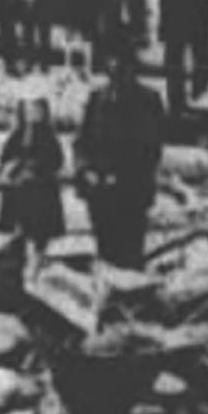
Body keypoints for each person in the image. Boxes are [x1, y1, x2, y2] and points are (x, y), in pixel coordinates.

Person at [75, 43, 167, 272]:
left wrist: (120, 176)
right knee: (105, 255)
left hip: (130, 196)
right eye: (112, 67)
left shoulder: (149, 101)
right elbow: (80, 143)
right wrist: (86, 171)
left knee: (130, 257)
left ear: (133, 70)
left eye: (123, 68)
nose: (116, 72)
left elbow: (151, 150)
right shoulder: (96, 99)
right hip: (99, 195)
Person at [0, 95, 66, 262]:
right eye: (28, 110)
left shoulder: (48, 135)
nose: (32, 114)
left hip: (41, 188)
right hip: (19, 188)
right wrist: (13, 165)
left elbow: (57, 160)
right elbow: (5, 157)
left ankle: (38, 254)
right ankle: (20, 252)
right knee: (19, 228)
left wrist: (36, 167)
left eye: (36, 110)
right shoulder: (18, 134)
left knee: (40, 230)